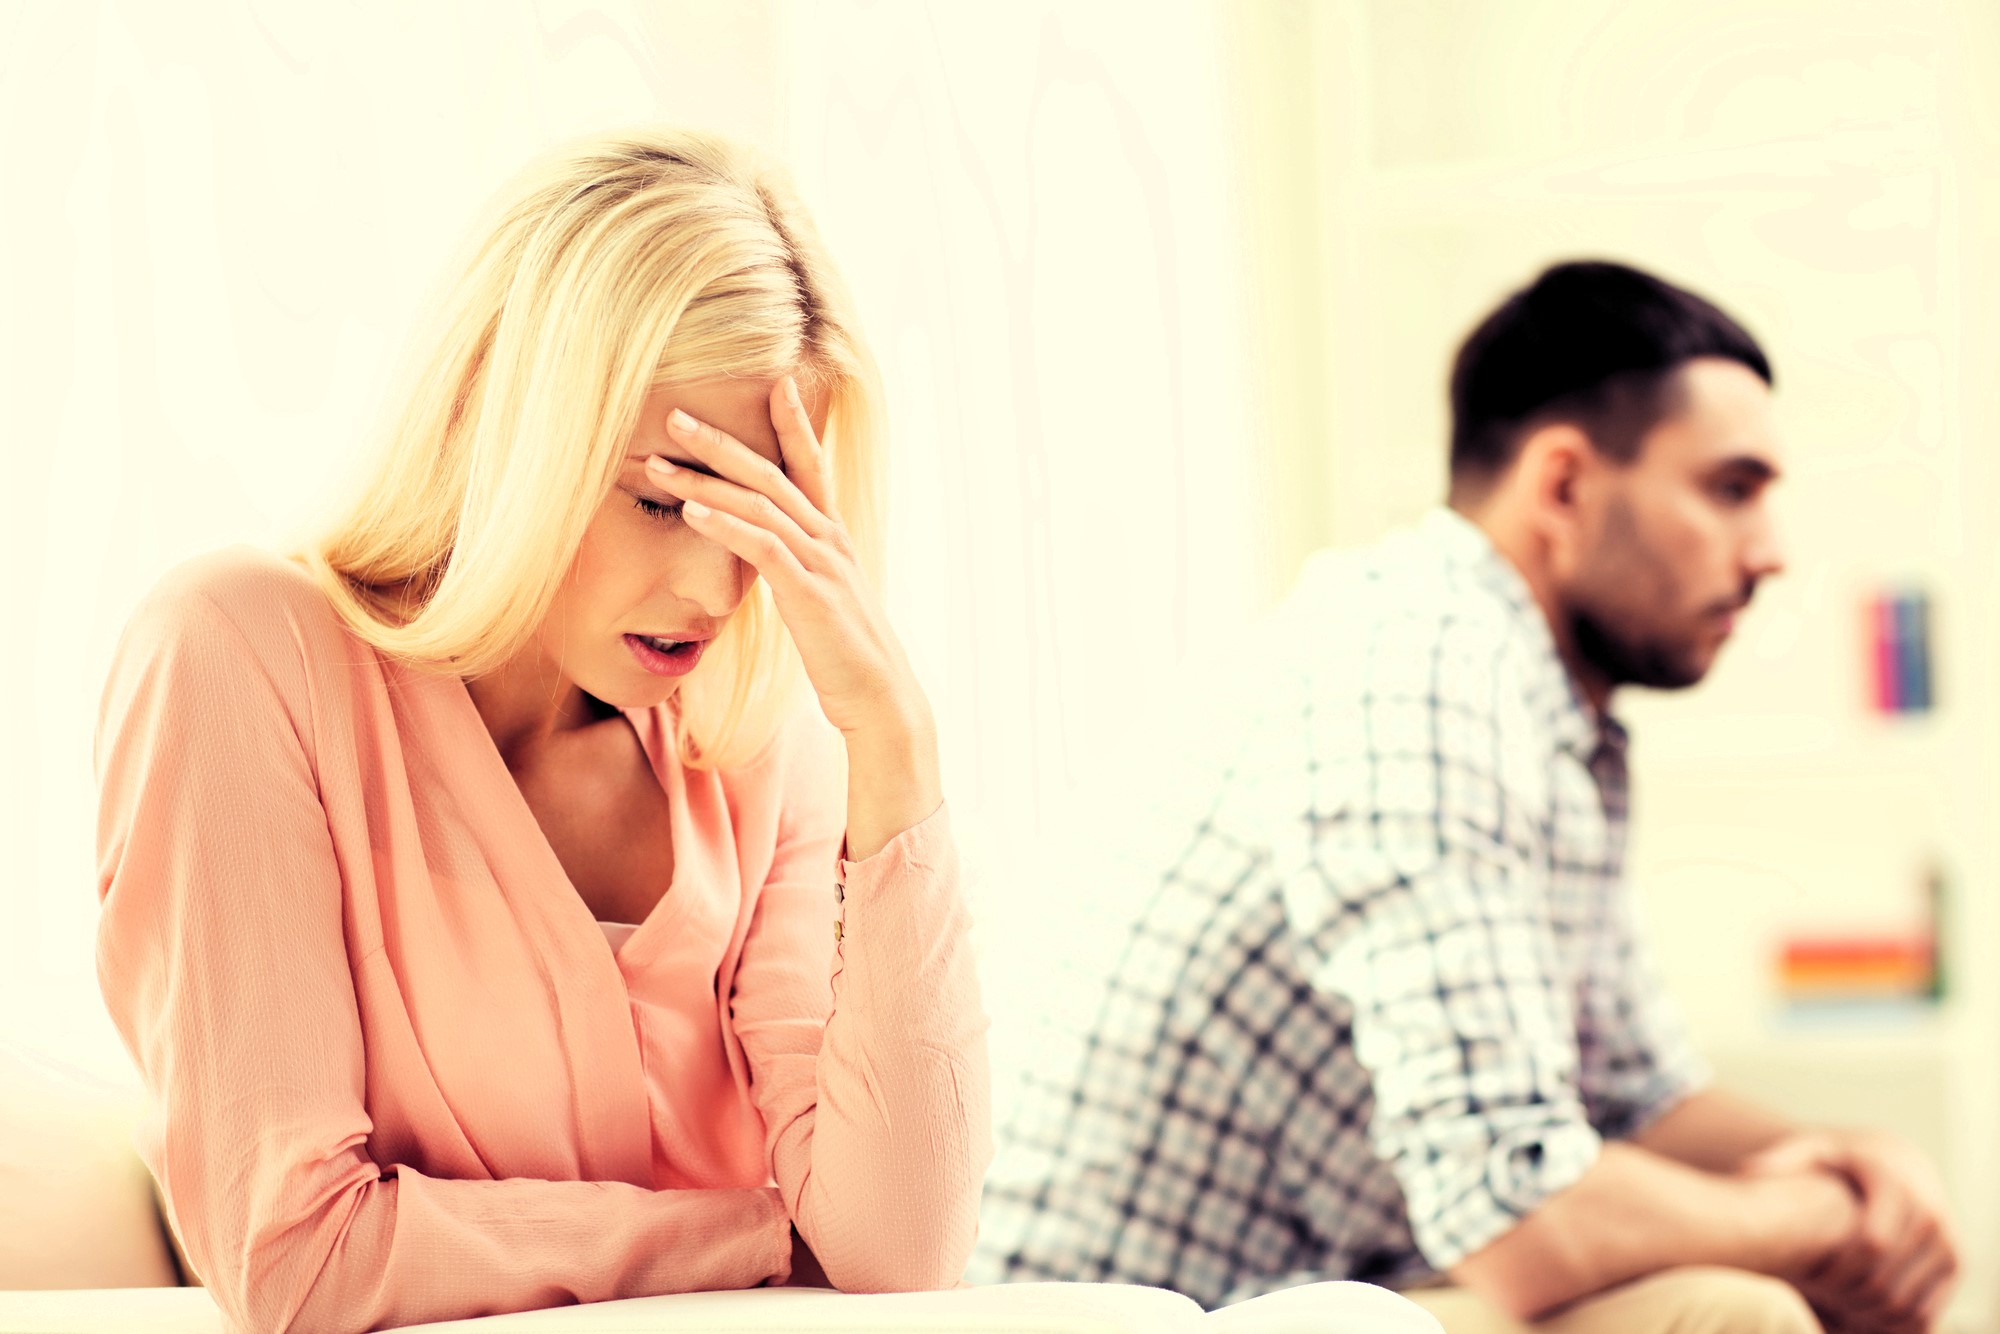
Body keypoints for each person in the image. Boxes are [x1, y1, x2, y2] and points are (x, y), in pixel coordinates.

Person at [94, 129, 989, 1333]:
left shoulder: (764, 740)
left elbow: (900, 1250)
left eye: (766, 515)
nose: (717, 591)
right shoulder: (241, 655)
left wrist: (894, 739)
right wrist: (757, 1237)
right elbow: (299, 1262)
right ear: (502, 422)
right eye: (666, 499)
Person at [971, 261, 1955, 1333]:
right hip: (1155, 1314)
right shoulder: (1417, 668)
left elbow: (1638, 1096)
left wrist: (1869, 1171)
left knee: (1805, 1279)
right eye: (1730, 488)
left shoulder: (1539, 706)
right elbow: (1522, 1217)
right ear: (1563, 486)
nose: (1768, 552)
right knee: (1728, 1312)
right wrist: (1822, 1218)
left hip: (1332, 1287)